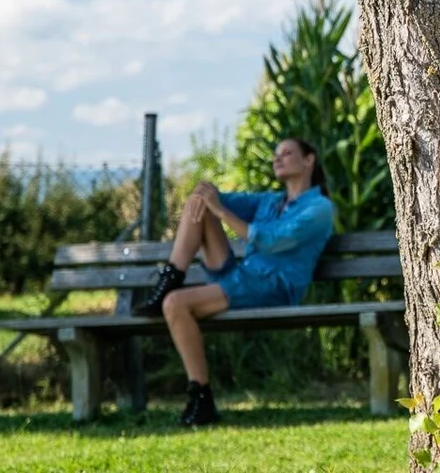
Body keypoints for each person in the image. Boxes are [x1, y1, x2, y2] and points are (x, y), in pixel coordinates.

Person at [132, 138, 337, 426]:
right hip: (244, 278)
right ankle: (171, 276)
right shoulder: (271, 201)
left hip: (273, 287)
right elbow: (213, 200)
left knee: (175, 304)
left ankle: (200, 397)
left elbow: (271, 241)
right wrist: (207, 191)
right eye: (275, 155)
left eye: (287, 153)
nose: (277, 159)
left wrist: (221, 211)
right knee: (198, 200)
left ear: (309, 160)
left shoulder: (319, 208)